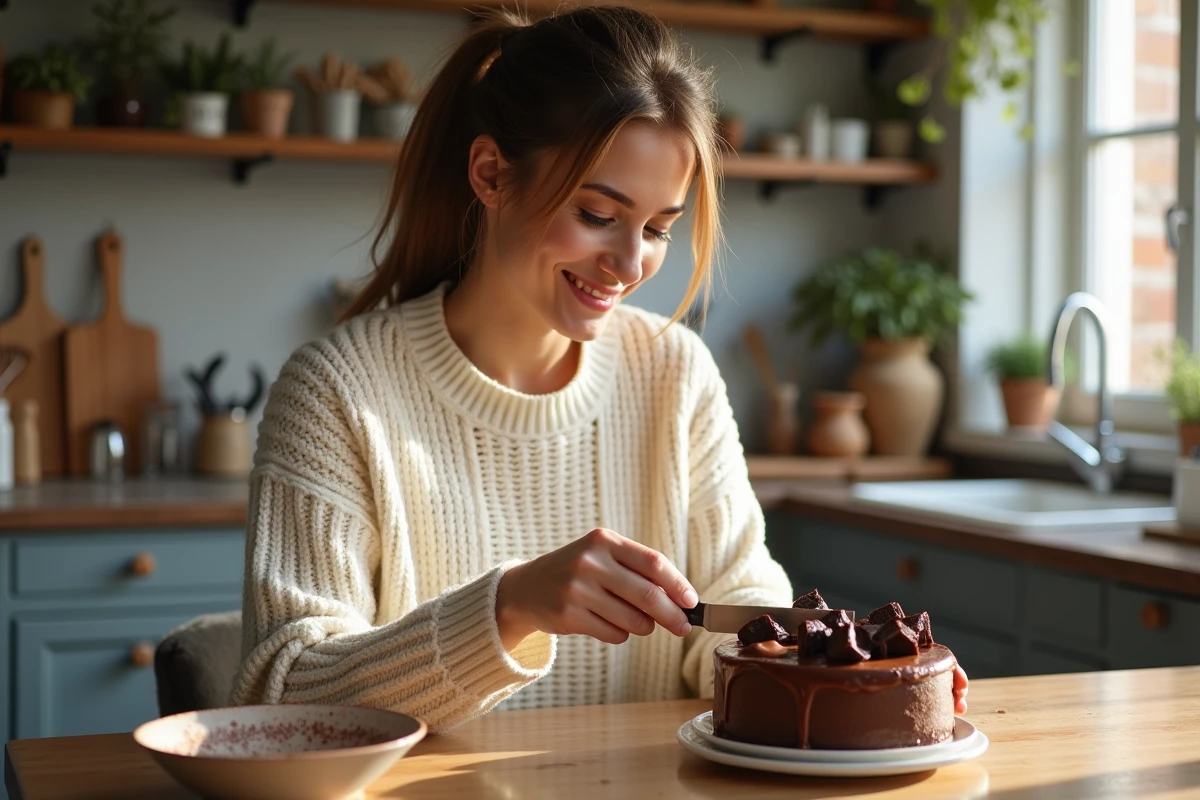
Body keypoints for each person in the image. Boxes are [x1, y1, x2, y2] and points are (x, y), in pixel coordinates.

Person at [230, 4, 968, 732]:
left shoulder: (675, 372)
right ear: (490, 174)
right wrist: (507, 608)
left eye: (656, 229)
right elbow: (281, 693)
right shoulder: (335, 390)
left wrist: (860, 670)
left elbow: (735, 598)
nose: (628, 264)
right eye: (597, 215)